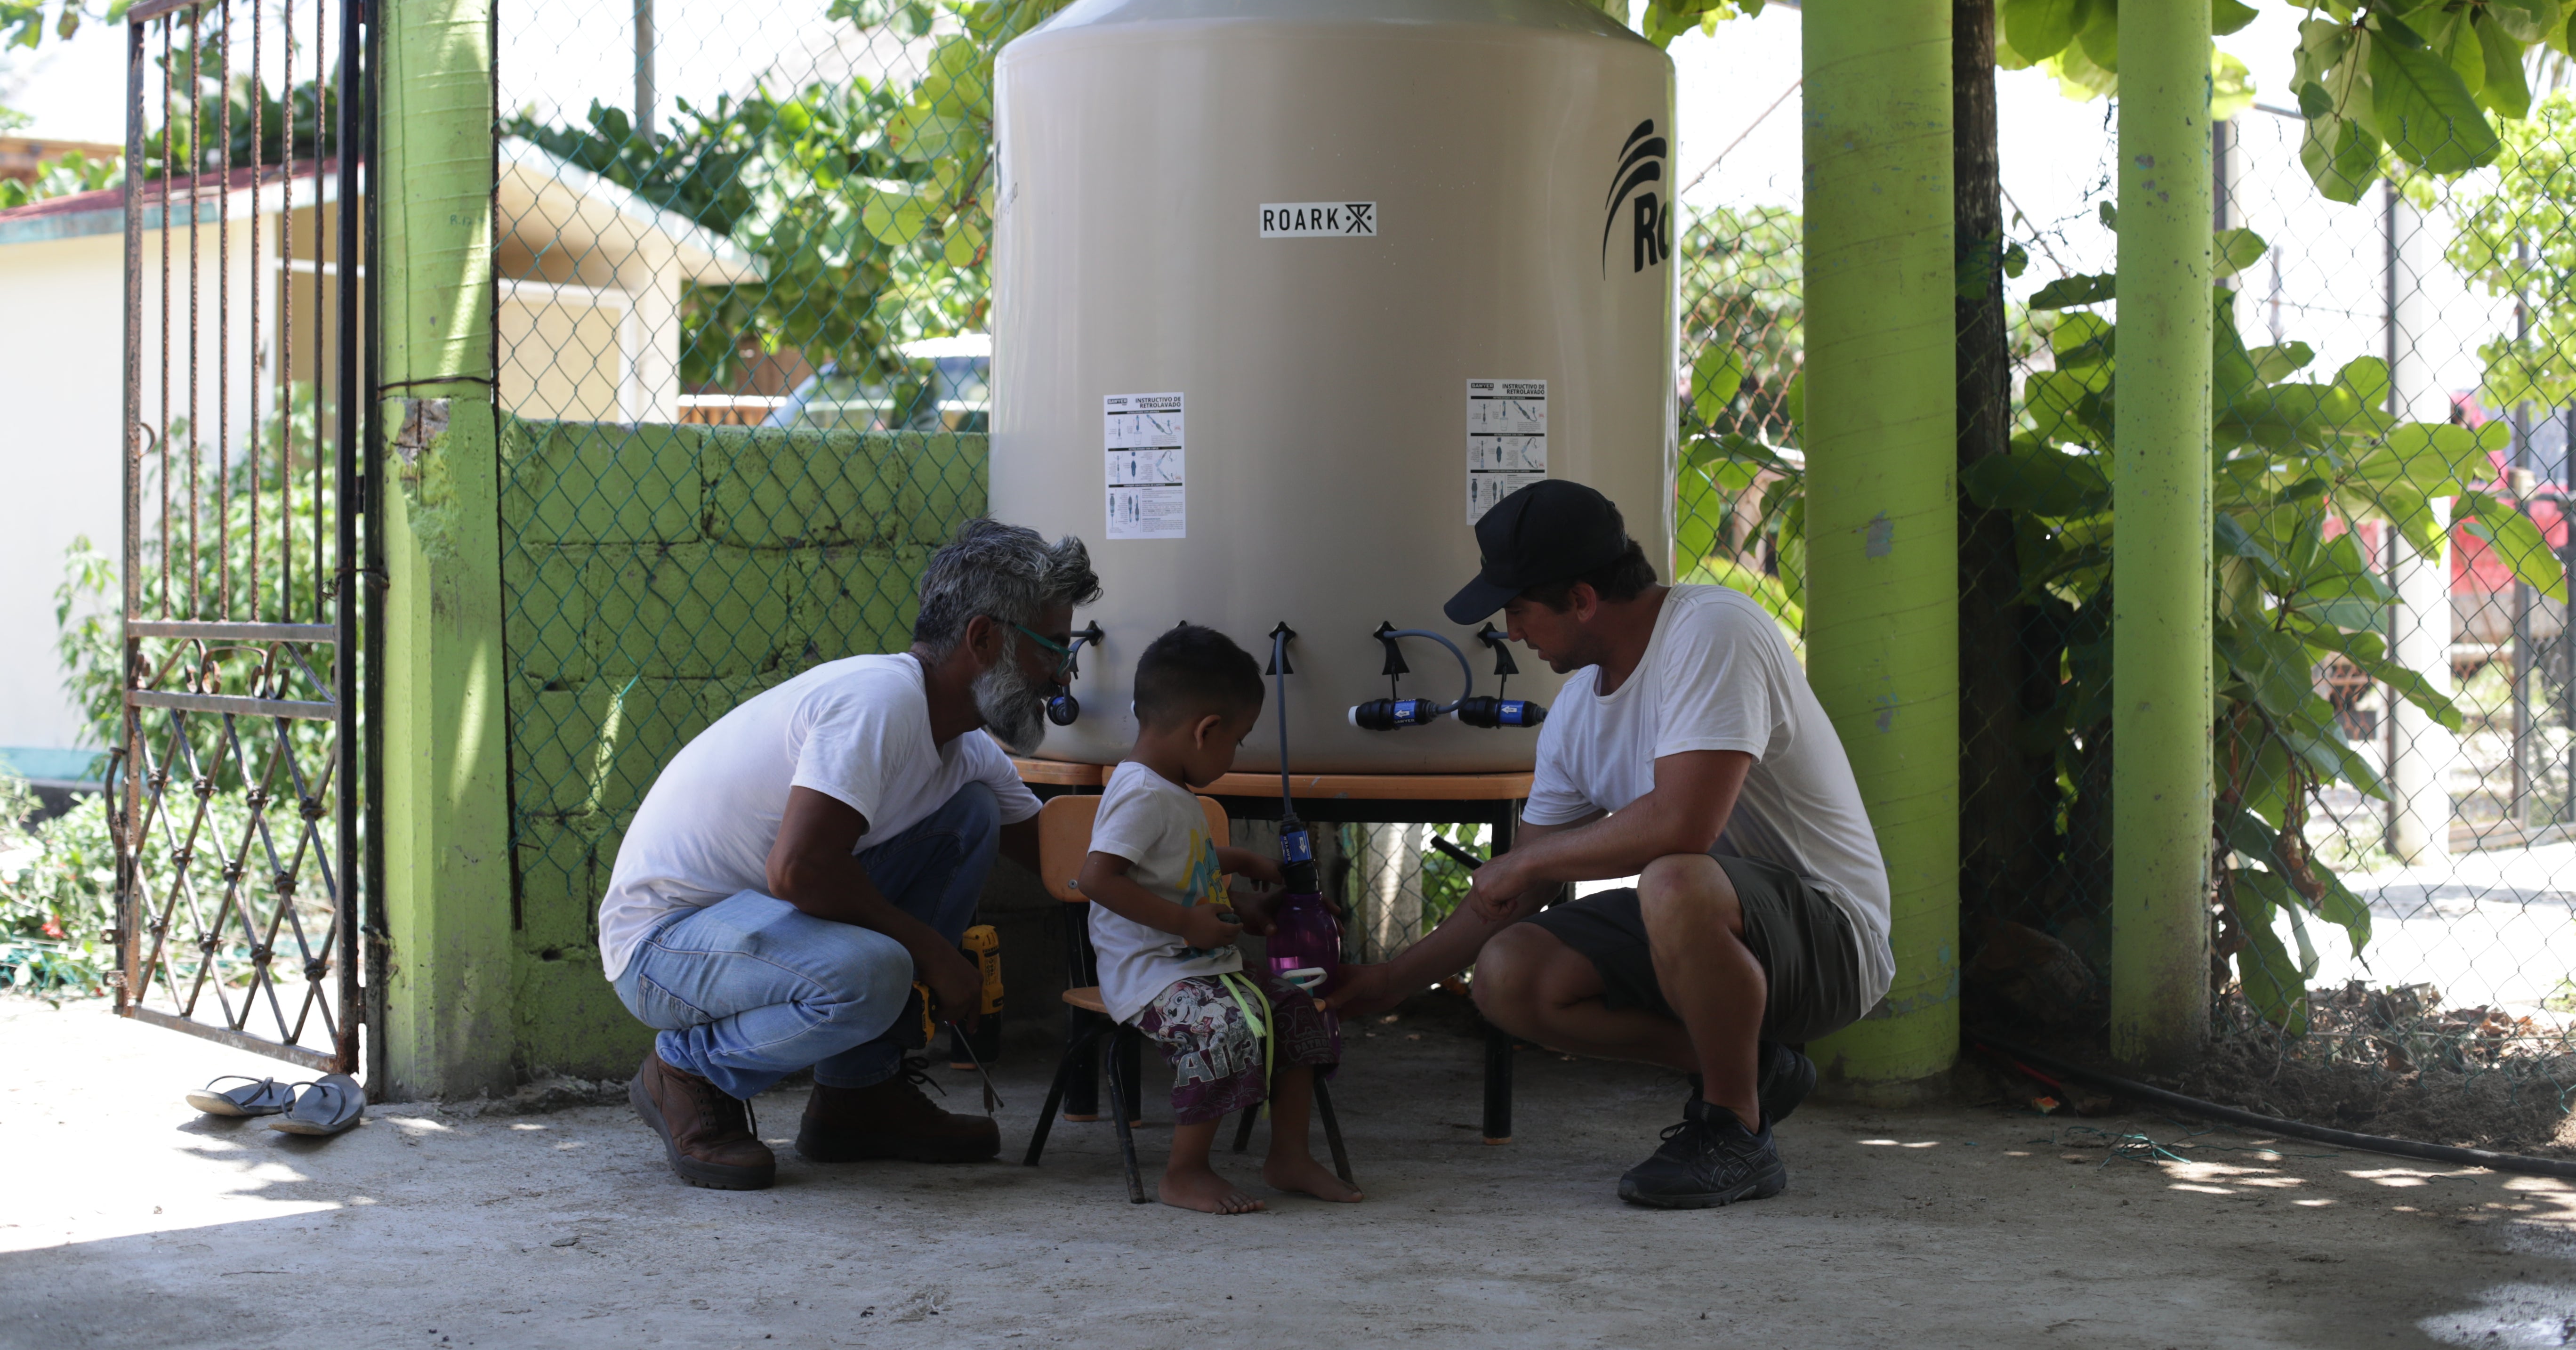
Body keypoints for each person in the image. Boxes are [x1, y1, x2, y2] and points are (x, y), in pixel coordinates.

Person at [1329, 479, 1892, 1209]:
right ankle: (1754, 1067)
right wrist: (1388, 983)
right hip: (1709, 929)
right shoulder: (1575, 715)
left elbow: (1685, 824)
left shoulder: (1715, 630)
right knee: (1510, 972)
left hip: (1829, 940)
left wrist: (1528, 858)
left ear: (1584, 599)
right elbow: (1515, 892)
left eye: (1521, 608)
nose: (1512, 630)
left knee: (1674, 878)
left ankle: (1734, 1129)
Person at [596, 517, 1101, 1190]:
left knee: (973, 816)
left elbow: (1062, 860)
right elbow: (799, 871)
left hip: (758, 925)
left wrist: (1207, 884)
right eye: (1051, 647)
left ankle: (859, 1096)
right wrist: (934, 951)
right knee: (876, 972)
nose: (1059, 675)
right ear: (984, 640)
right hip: (665, 946)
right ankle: (687, 1070)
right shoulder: (880, 703)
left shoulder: (966, 747)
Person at [1078, 623, 1361, 1214]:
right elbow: (1098, 879)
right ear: (1205, 731)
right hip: (1150, 972)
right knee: (1224, 1027)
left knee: (1300, 1011)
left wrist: (1249, 885)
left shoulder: (1173, 793)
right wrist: (1188, 925)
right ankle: (1185, 1171)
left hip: (1202, 963)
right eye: (1238, 740)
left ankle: (1288, 1156)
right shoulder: (1141, 794)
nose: (1236, 754)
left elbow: (1184, 866)